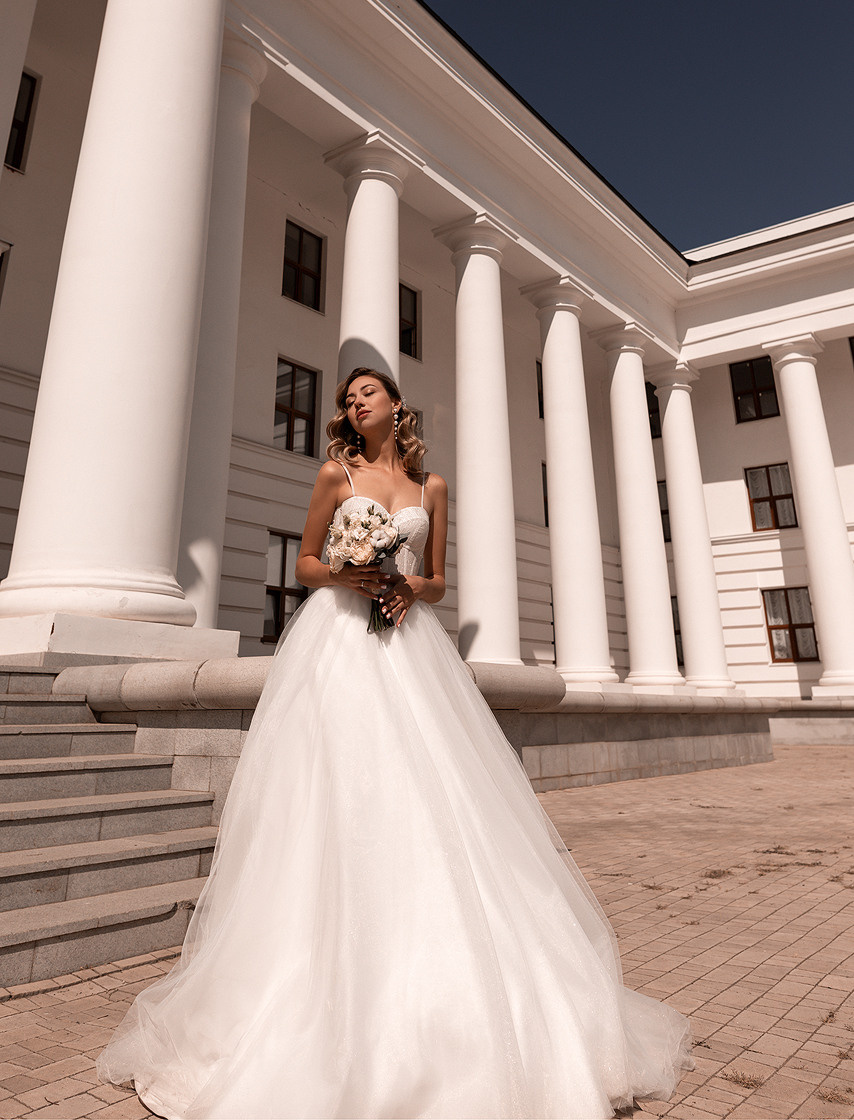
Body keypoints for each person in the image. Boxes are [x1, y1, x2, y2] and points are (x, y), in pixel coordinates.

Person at [97, 366, 694, 1119]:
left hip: (408, 644)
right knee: (338, 790)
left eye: (366, 393)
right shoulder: (333, 472)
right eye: (347, 396)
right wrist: (353, 575)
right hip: (339, 645)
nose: (354, 402)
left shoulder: (430, 487)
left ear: (395, 406)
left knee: (432, 793)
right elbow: (308, 562)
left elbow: (440, 578)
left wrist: (407, 586)